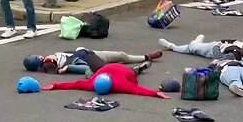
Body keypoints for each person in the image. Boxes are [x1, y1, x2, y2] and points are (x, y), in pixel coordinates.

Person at [43, 63, 171, 98]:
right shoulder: (91, 83)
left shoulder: (121, 85)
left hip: (124, 71)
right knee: (88, 75)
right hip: (104, 69)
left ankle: (138, 69)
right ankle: (138, 68)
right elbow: (73, 84)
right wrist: (54, 85)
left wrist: (156, 93)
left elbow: (138, 89)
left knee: (133, 74)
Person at [23, 48, 163, 74]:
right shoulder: (49, 64)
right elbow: (62, 68)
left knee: (120, 55)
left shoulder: (51, 60)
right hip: (87, 59)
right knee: (110, 69)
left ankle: (146, 57)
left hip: (88, 53)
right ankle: (135, 70)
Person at [158, 34, 243, 66]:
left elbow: (219, 59)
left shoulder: (236, 55)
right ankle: (198, 42)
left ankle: (172, 46)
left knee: (191, 48)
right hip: (220, 44)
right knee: (195, 47)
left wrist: (217, 46)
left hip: (213, 49)